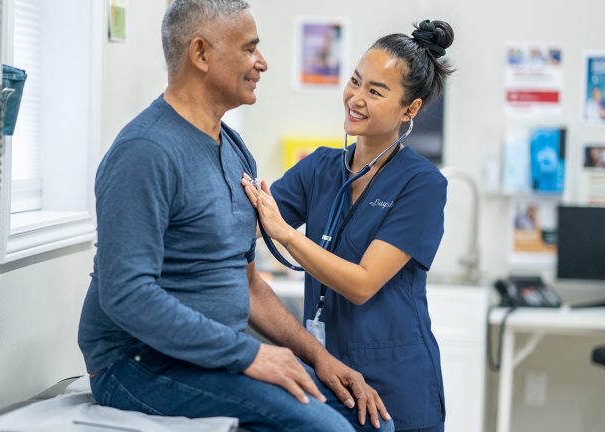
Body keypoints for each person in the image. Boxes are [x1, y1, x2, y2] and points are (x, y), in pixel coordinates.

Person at [78, 1, 394, 431]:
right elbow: (127, 295)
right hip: (135, 364)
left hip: (210, 357)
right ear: (202, 54)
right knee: (330, 430)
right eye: (249, 49)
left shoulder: (234, 149)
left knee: (370, 422)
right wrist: (250, 354)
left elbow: (248, 285)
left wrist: (319, 358)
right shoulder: (146, 152)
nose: (261, 63)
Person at [241, 19, 455, 432]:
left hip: (397, 382)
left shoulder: (423, 184)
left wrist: (285, 233)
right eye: (355, 81)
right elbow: (249, 220)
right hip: (326, 373)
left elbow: (361, 284)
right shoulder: (320, 167)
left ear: (410, 110)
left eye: (375, 91)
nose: (356, 98)